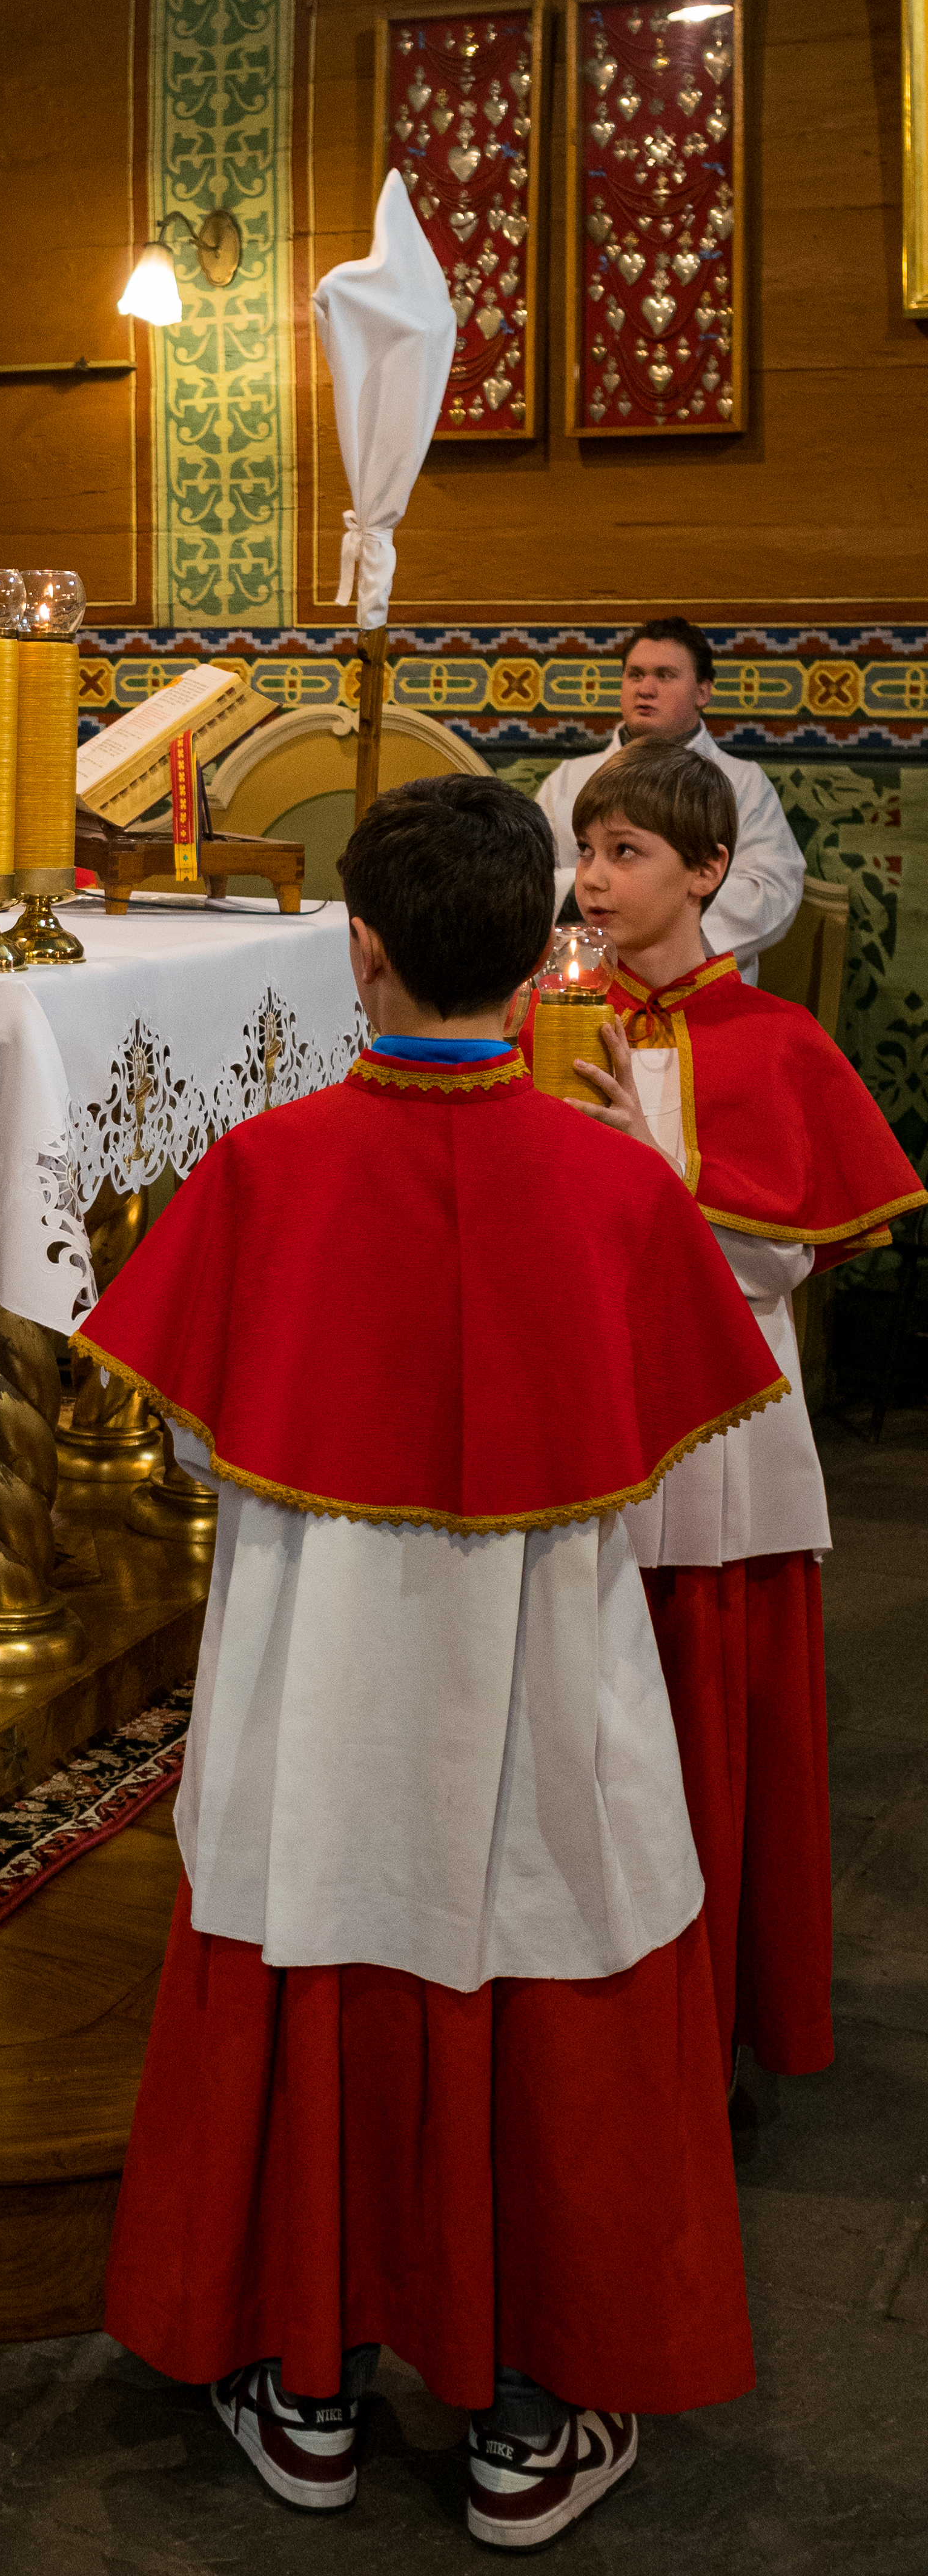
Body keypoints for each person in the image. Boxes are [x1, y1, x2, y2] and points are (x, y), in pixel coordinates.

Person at [80, 777, 786, 2549]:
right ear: (538, 947)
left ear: (361, 950)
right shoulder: (621, 1192)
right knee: (549, 1955)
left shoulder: (263, 1169)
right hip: (540, 1680)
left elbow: (188, 1446)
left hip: (318, 1683)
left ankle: (304, 2386)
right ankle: (527, 2417)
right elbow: (677, 1449)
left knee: (309, 1938)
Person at [545, 741, 924, 2088]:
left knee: (702, 1717)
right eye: (585, 851)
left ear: (707, 870)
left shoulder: (770, 1042)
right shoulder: (548, 1015)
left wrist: (645, 1167)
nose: (591, 878)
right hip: (580, 1397)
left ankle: (698, 2026)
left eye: (624, 853)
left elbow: (776, 1255)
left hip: (718, 1420)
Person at [534, 617, 803, 982]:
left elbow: (771, 891)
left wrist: (658, 922)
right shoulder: (568, 779)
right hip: (584, 981)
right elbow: (528, 879)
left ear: (703, 692)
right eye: (635, 674)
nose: (646, 688)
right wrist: (584, 903)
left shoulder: (742, 782)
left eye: (665, 675)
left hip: (701, 985)